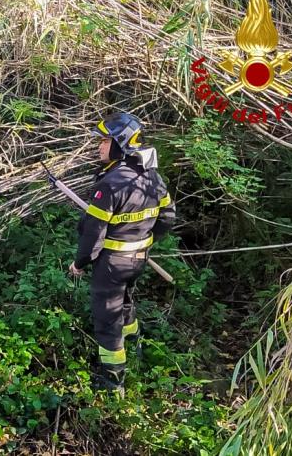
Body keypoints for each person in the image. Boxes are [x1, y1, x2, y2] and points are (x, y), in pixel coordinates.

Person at [68, 112, 175, 392]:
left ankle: (113, 383)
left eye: (104, 141)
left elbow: (93, 233)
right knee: (126, 304)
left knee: (107, 320)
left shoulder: (110, 185)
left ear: (121, 143)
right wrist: (145, 241)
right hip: (138, 261)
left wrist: (80, 263)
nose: (99, 147)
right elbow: (168, 217)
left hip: (112, 265)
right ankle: (136, 349)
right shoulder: (152, 177)